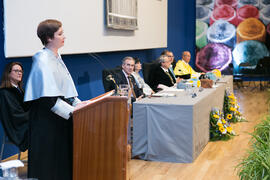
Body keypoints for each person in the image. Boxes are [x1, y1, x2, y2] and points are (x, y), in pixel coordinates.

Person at [24, 19, 84, 180]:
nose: (64, 36)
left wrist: (79, 104)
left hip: (60, 117)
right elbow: (47, 98)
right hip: (47, 121)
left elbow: (66, 90)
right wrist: (74, 112)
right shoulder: (42, 59)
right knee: (50, 164)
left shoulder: (56, 57)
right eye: (60, 34)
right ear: (49, 38)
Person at [0, 62, 29, 152]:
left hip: (24, 121)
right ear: (8, 73)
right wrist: (34, 114)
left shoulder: (20, 90)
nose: (19, 73)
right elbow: (15, 114)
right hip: (16, 127)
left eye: (21, 71)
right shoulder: (5, 93)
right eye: (16, 71)